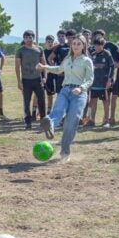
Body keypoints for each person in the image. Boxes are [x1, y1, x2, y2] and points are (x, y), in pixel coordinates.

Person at [37, 33, 94, 162]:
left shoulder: (86, 61)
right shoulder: (68, 59)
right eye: (74, 43)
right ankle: (49, 124)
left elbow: (90, 79)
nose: (76, 46)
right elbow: (59, 69)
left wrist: (81, 88)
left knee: (71, 123)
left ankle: (65, 152)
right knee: (58, 110)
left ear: (84, 45)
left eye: (79, 43)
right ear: (71, 45)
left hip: (79, 94)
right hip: (65, 90)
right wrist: (44, 67)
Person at [15, 30, 46, 130]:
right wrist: (19, 81)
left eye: (30, 37)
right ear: (24, 39)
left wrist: (45, 77)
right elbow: (17, 67)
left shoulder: (39, 49)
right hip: (26, 80)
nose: (29, 39)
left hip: (38, 80)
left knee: (41, 101)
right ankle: (28, 122)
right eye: (26, 37)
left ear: (33, 38)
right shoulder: (20, 51)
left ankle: (43, 121)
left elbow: (44, 64)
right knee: (26, 102)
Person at [85, 36, 115, 127]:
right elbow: (89, 69)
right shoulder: (93, 54)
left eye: (99, 45)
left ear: (103, 45)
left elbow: (112, 67)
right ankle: (91, 120)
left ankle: (106, 120)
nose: (96, 47)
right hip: (94, 83)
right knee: (92, 101)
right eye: (95, 45)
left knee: (105, 102)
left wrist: (109, 80)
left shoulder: (107, 54)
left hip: (104, 83)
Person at [45, 30, 68, 114]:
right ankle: (59, 114)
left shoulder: (70, 46)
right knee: (60, 95)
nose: (61, 38)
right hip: (60, 75)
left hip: (70, 75)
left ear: (65, 37)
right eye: (59, 36)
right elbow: (49, 58)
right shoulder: (57, 48)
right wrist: (56, 70)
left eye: (62, 36)